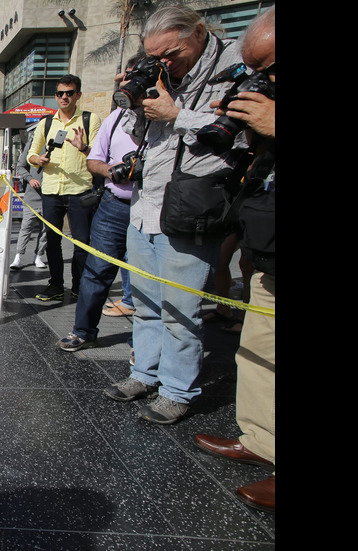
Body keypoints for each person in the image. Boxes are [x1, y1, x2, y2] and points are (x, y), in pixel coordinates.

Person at [103, 6, 245, 424]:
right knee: (145, 301)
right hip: (146, 204)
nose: (165, 63)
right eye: (156, 56)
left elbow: (238, 128)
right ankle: (144, 373)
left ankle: (178, 390)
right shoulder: (162, 76)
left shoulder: (233, 67)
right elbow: (137, 134)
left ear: (199, 32)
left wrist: (176, 114)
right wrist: (133, 100)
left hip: (191, 207)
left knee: (181, 311)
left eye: (171, 53)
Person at [194, 5, 275, 513]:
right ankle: (263, 440)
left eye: (270, 67)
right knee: (258, 351)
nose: (262, 80)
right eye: (255, 69)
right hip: (267, 248)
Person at [57, 56, 143, 351]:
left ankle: (144, 344)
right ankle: (83, 330)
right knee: (96, 271)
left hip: (153, 207)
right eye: (126, 77)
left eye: (136, 76)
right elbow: (95, 160)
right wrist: (116, 172)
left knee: (145, 276)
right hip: (114, 204)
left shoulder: (167, 113)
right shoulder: (115, 118)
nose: (129, 82)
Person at [27, 74, 101, 301]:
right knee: (52, 240)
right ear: (55, 96)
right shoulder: (46, 122)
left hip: (80, 190)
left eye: (69, 93)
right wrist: (37, 160)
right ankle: (56, 284)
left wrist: (84, 147)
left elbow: (100, 156)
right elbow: (31, 153)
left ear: (78, 95)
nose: (64, 97)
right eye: (60, 93)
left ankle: (79, 286)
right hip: (51, 190)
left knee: (81, 241)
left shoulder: (90, 119)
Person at [11, 133, 47, 270]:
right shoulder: (32, 143)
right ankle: (18, 256)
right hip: (32, 196)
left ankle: (38, 255)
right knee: (26, 227)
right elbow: (20, 166)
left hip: (50, 195)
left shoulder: (58, 143)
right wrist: (30, 179)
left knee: (46, 230)